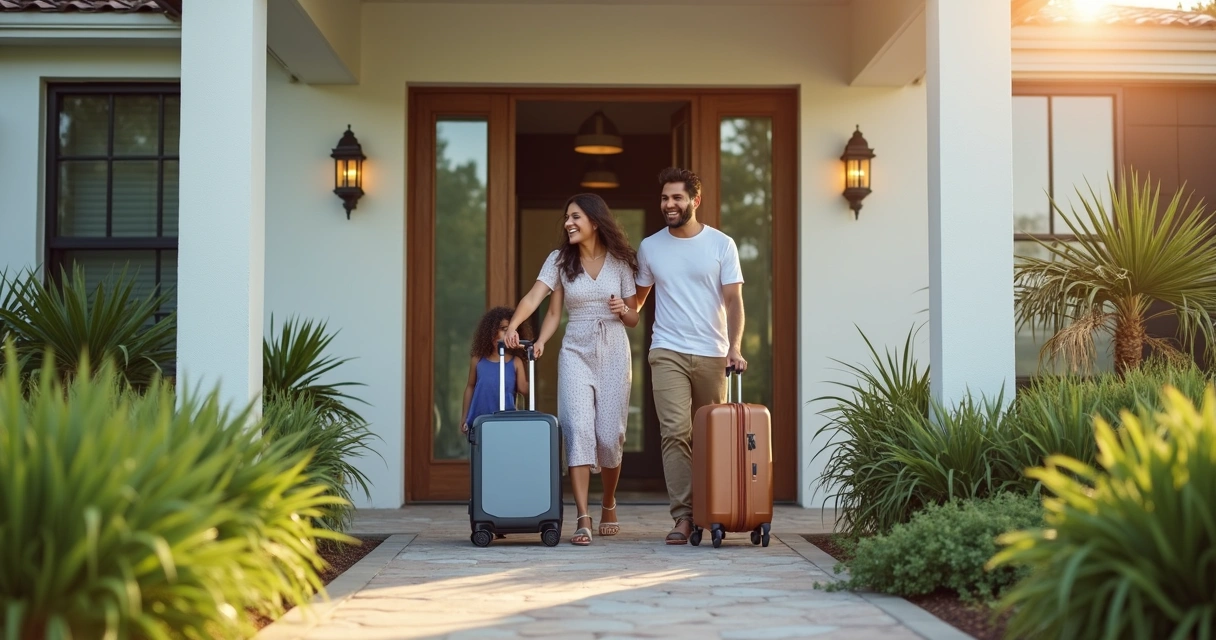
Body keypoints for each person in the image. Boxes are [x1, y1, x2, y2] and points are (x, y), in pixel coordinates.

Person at [505, 193, 640, 546]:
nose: (568, 223)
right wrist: (518, 328)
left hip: (613, 350)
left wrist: (620, 309)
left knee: (611, 436)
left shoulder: (622, 262)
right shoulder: (560, 261)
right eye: (566, 217)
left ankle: (608, 501)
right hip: (575, 351)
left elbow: (634, 317)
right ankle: (583, 516)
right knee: (578, 430)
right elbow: (542, 303)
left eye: (575, 217)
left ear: (595, 221)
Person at [634, 167, 746, 545]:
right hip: (667, 351)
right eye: (665, 197)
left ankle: (713, 510)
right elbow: (638, 301)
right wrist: (617, 306)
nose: (669, 204)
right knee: (675, 433)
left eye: (677, 198)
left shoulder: (721, 245)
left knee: (712, 437)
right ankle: (683, 517)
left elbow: (734, 301)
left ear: (695, 201)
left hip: (713, 354)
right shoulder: (650, 247)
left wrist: (735, 347)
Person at [461, 306, 531, 436]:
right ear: (491, 332)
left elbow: (523, 388)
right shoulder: (478, 360)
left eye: (512, 330)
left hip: (505, 419)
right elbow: (470, 387)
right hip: (479, 418)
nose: (508, 333)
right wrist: (464, 416)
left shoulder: (515, 362)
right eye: (504, 329)